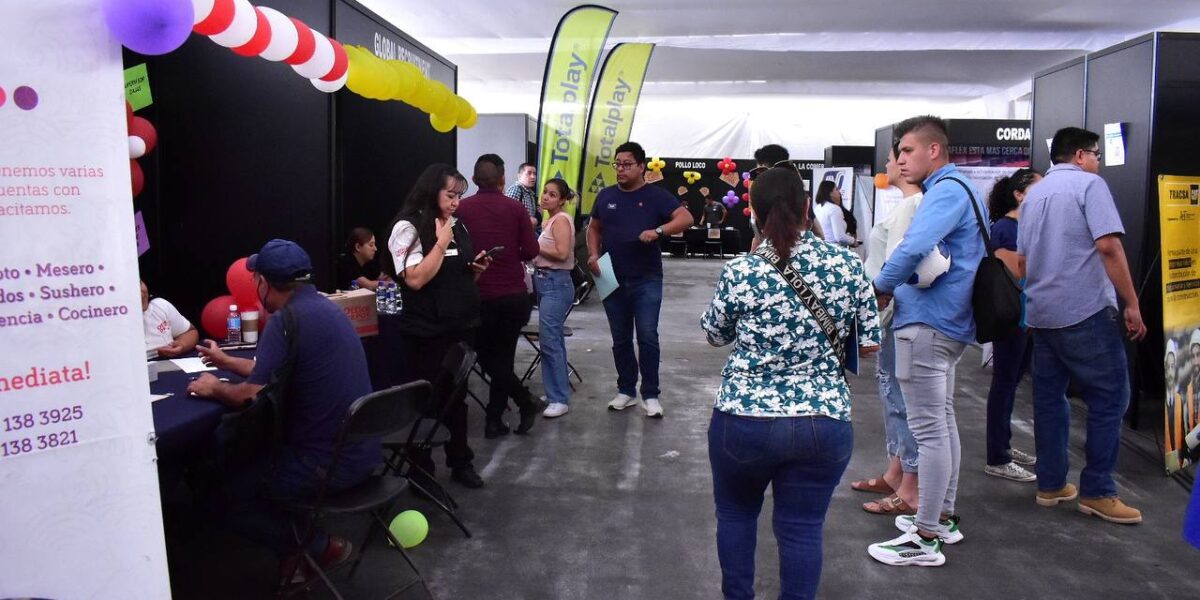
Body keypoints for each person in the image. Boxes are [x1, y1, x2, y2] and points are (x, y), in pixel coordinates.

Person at [701, 165, 880, 600]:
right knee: (802, 528)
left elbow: (715, 335)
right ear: (806, 210)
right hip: (823, 420)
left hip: (744, 418)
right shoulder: (847, 264)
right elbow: (869, 345)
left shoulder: (741, 269)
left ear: (754, 213)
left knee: (736, 515)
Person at [187, 239, 377, 585]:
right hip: (363, 453)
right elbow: (277, 370)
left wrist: (215, 388)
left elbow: (252, 396)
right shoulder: (325, 309)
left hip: (324, 466)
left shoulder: (286, 320)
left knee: (217, 494)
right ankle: (294, 559)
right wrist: (226, 361)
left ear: (263, 282)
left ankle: (320, 547)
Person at [867, 115, 985, 567]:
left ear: (934, 150)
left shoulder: (947, 191)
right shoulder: (960, 189)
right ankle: (942, 518)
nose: (899, 160)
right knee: (942, 423)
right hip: (945, 322)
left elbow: (913, 246)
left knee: (930, 430)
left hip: (928, 322)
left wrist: (879, 288)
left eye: (907, 151)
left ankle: (925, 534)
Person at [1018, 126, 1147, 524]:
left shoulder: (1034, 194)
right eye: (1096, 155)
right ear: (1079, 155)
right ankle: (1098, 491)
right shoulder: (1090, 186)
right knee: (1111, 397)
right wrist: (1132, 303)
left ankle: (1051, 484)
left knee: (1049, 400)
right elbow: (1108, 245)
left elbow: (1023, 261)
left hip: (1042, 314)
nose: (1098, 163)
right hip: (1084, 310)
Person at [384, 163, 491, 489]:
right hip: (426, 333)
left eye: (459, 195)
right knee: (427, 401)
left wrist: (474, 271)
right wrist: (441, 243)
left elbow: (451, 276)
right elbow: (415, 279)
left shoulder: (457, 225)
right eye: (450, 195)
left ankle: (461, 461)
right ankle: (421, 470)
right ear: (432, 191)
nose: (456, 202)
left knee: (457, 399)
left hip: (461, 325)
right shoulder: (408, 227)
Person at [586, 141, 693, 418]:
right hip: (610, 275)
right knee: (620, 338)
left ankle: (650, 394)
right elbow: (594, 228)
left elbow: (686, 218)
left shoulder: (656, 196)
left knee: (647, 335)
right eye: (617, 164)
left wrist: (658, 231)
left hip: (646, 277)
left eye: (627, 164)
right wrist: (594, 253)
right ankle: (626, 390)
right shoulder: (606, 196)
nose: (620, 169)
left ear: (641, 167)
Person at [855, 146, 923, 516]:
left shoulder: (913, 206)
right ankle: (897, 472)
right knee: (891, 393)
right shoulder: (904, 206)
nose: (886, 164)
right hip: (888, 313)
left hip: (894, 312)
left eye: (895, 155)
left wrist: (878, 299)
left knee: (900, 396)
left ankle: (910, 484)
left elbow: (898, 262)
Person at [456, 154, 543, 438]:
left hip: (476, 296)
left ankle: (505, 414)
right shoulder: (515, 209)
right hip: (513, 296)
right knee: (503, 358)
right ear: (503, 179)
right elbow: (531, 251)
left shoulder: (462, 210)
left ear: (473, 179)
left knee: (486, 358)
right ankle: (510, 409)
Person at [982, 168, 1042, 483]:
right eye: (1037, 188)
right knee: (1004, 383)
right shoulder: (1006, 229)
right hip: (1012, 317)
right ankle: (997, 456)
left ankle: (1003, 445)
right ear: (1019, 195)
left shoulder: (1023, 226)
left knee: (1011, 381)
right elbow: (1018, 271)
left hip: (1026, 317)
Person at [531, 178, 577, 418]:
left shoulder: (561, 220)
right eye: (544, 192)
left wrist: (533, 246)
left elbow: (561, 253)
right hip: (545, 282)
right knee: (550, 340)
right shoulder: (549, 220)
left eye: (552, 194)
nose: (545, 197)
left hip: (556, 284)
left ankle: (559, 398)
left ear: (562, 200)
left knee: (550, 342)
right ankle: (553, 393)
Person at [749, 144, 823, 251]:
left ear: (763, 165)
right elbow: (819, 233)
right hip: (804, 253)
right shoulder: (796, 193)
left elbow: (757, 236)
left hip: (765, 254)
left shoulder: (759, 194)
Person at [141, 280, 198, 358]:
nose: (141, 293)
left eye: (139, 283)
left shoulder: (159, 305)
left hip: (169, 362)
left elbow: (189, 332)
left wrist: (182, 345)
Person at [335, 227, 389, 291]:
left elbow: (381, 278)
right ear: (358, 247)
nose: (375, 249)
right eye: (371, 245)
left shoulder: (368, 261)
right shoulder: (347, 263)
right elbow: (369, 285)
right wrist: (391, 284)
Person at [813, 180, 859, 248]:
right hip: (833, 249)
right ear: (830, 193)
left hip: (821, 247)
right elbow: (840, 236)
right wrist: (853, 241)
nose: (839, 192)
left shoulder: (817, 208)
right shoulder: (835, 209)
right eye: (836, 189)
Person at [505, 162, 541, 230]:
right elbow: (508, 214)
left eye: (534, 174)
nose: (533, 177)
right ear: (519, 176)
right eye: (529, 173)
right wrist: (528, 221)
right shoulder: (516, 189)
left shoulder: (531, 194)